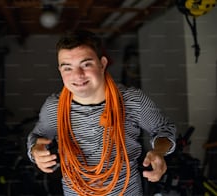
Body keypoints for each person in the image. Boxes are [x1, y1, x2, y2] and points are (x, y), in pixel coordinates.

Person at [27, 30, 176, 195]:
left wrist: (159, 151)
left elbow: (164, 128)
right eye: (67, 68)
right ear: (60, 70)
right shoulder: (53, 107)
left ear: (102, 63)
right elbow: (37, 137)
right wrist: (35, 150)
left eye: (86, 64)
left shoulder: (132, 100)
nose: (77, 75)